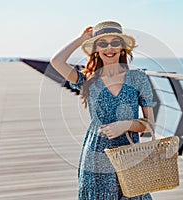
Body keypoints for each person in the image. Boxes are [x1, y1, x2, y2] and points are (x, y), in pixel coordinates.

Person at [50, 21, 156, 200]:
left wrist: (126, 124)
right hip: (95, 156)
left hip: (129, 155)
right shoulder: (87, 79)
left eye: (115, 42)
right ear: (96, 49)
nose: (109, 48)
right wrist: (82, 38)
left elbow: (149, 125)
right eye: (102, 43)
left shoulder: (138, 78)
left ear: (122, 48)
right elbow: (56, 61)